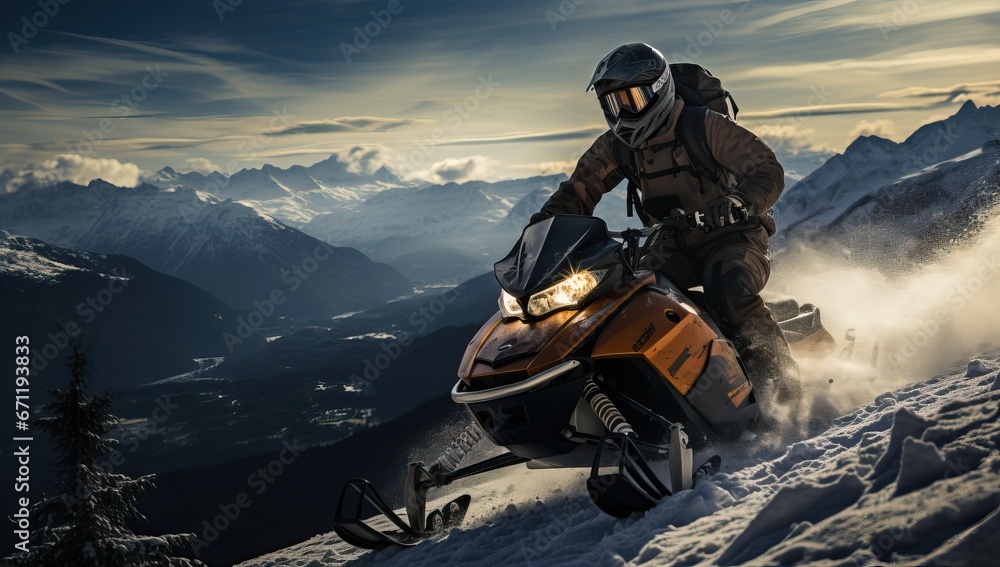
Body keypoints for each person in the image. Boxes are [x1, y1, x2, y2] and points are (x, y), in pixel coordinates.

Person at [532, 43, 799, 400]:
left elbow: (767, 169)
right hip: (671, 242)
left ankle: (785, 388)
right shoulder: (617, 146)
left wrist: (738, 202)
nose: (623, 113)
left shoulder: (704, 126)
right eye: (613, 103)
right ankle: (663, 393)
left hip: (732, 234)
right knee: (631, 304)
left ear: (659, 90)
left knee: (728, 287)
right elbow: (579, 190)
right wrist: (542, 228)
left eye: (632, 99)